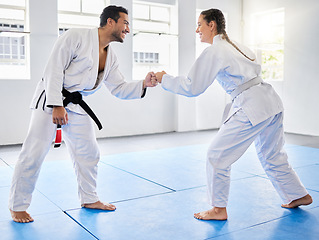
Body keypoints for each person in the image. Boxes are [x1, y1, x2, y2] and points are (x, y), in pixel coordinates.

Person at [154, 8, 312, 221]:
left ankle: (218, 209)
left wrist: (165, 78)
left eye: (200, 24)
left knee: (216, 156)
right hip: (271, 102)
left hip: (252, 105)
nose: (196, 29)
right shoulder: (238, 46)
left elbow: (193, 87)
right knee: (272, 154)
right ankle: (297, 194)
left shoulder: (215, 51)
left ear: (212, 25)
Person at [9, 5, 157, 223]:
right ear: (110, 22)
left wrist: (143, 84)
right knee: (34, 153)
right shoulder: (76, 37)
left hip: (76, 104)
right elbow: (53, 68)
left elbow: (119, 87)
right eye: (125, 22)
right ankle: (17, 206)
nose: (128, 28)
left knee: (89, 151)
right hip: (51, 99)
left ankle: (89, 198)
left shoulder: (110, 56)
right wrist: (56, 104)